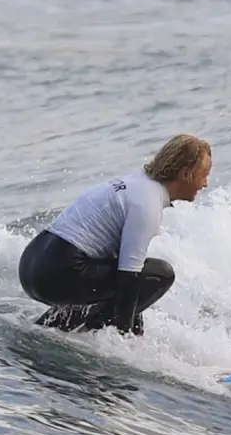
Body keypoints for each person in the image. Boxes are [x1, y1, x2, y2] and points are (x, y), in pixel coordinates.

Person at [19, 135, 212, 334]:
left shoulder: (137, 182)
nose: (205, 183)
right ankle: (97, 336)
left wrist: (136, 328)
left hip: (33, 263)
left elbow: (126, 278)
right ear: (186, 174)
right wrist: (125, 339)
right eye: (204, 175)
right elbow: (128, 279)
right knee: (161, 274)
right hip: (57, 271)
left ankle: (44, 330)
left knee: (115, 278)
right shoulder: (148, 204)